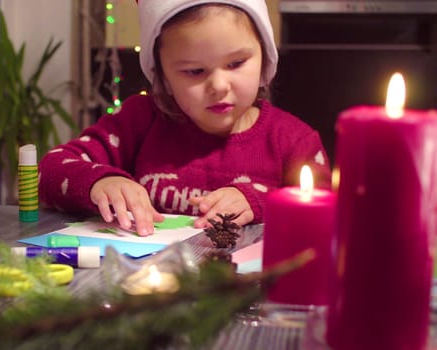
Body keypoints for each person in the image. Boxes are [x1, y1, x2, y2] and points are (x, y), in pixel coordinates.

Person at [38, 0, 331, 237]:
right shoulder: (140, 120)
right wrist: (100, 182)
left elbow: (325, 217)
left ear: (265, 58)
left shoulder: (295, 142)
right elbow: (49, 171)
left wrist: (260, 202)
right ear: (162, 76)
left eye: (236, 63)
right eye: (194, 71)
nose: (218, 85)